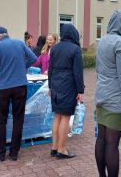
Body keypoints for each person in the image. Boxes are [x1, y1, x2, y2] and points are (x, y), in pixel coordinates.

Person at [95, 10, 121, 177]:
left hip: (101, 96)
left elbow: (98, 70)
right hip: (115, 99)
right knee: (112, 144)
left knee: (101, 139)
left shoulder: (102, 40)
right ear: (120, 24)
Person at [0, 27, 37, 162]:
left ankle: (1, 152)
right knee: (18, 118)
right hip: (20, 86)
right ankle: (14, 153)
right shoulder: (20, 43)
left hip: (3, 87)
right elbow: (33, 58)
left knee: (1, 120)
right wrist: (23, 66)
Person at [48, 24, 84, 159]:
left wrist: (50, 86)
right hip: (68, 85)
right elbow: (78, 72)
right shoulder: (75, 49)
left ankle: (54, 147)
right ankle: (62, 149)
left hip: (56, 84)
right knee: (65, 116)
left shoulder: (55, 48)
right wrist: (80, 90)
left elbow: (50, 69)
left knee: (57, 116)